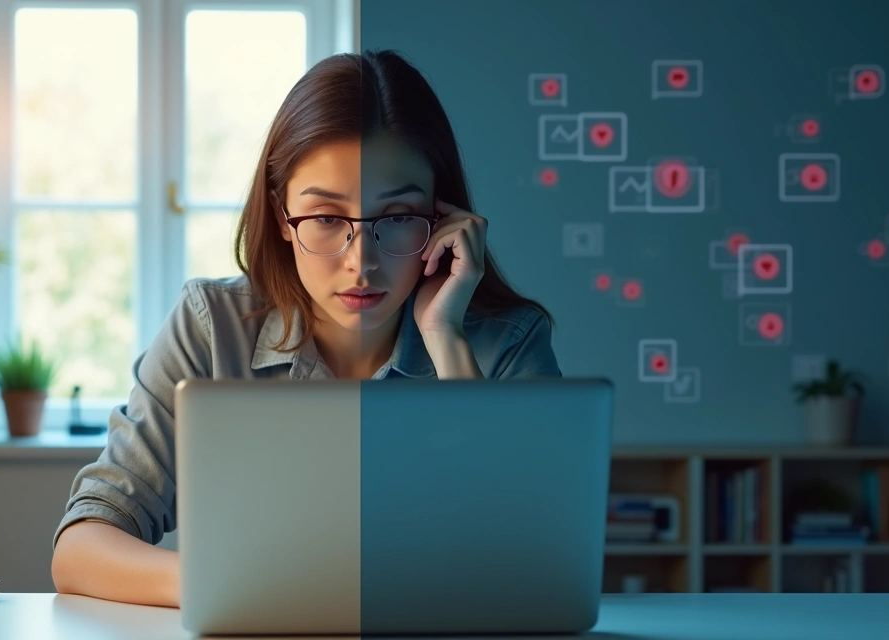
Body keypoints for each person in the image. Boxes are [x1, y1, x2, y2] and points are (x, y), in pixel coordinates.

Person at [50, 49, 563, 607]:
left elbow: (539, 560)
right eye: (324, 218)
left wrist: (448, 341)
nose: (361, 262)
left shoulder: (508, 341)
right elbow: (82, 546)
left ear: (443, 220)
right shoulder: (213, 325)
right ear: (281, 217)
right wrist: (243, 588)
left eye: (396, 218)